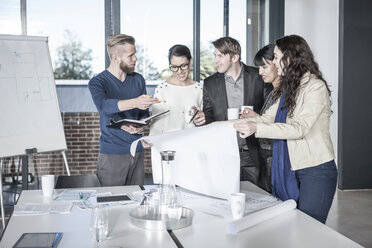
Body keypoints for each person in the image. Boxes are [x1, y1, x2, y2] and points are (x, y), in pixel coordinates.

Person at [233, 35, 337, 224]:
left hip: (316, 169)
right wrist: (228, 125)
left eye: (276, 56)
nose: (274, 62)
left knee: (310, 229)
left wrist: (255, 127)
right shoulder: (289, 88)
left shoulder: (315, 86)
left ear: (290, 58)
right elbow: (266, 119)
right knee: (293, 227)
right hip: (293, 167)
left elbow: (299, 129)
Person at [193, 37, 272, 184]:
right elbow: (209, 116)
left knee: (257, 201)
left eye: (220, 56)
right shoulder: (209, 83)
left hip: (253, 154)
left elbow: (270, 113)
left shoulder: (259, 77)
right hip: (224, 154)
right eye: (214, 55)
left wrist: (257, 117)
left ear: (234, 57)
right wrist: (203, 118)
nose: (215, 60)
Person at [88, 34, 158, 186]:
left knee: (136, 202)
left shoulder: (138, 79)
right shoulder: (97, 82)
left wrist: (140, 125)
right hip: (113, 154)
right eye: (130, 56)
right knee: (110, 203)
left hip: (137, 150)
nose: (135, 59)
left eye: (135, 54)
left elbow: (143, 115)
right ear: (115, 58)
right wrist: (135, 102)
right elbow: (104, 107)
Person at [240, 44, 280, 192]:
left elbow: (284, 127)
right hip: (265, 157)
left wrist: (256, 120)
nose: (260, 72)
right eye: (259, 67)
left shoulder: (285, 93)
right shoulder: (273, 91)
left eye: (264, 67)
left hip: (274, 158)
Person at [149, 44, 203, 135]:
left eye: (183, 65)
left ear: (191, 62)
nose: (180, 71)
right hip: (168, 144)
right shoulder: (162, 89)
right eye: (174, 67)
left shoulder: (199, 89)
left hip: (193, 142)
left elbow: (203, 121)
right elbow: (156, 124)